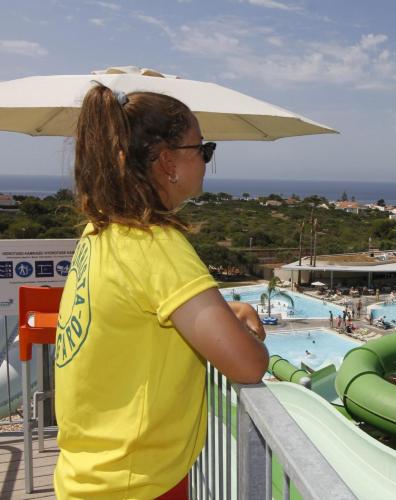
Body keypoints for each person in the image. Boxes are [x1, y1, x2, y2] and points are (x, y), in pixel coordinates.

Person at [53, 85, 269, 499]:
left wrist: (223, 314)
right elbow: (249, 365)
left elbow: (138, 313)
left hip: (90, 475)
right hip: (135, 483)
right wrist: (244, 337)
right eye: (202, 148)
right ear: (168, 161)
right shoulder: (156, 244)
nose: (206, 160)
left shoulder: (102, 230)